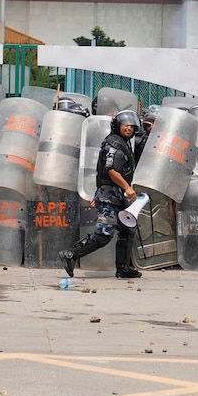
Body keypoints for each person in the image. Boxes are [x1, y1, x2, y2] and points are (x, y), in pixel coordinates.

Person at [61, 109, 143, 280]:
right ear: (117, 126)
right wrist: (127, 188)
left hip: (114, 195)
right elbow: (111, 170)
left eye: (132, 125)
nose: (129, 128)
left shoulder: (123, 143)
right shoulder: (113, 144)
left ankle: (123, 268)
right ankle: (70, 254)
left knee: (128, 230)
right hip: (111, 195)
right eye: (125, 125)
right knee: (103, 234)